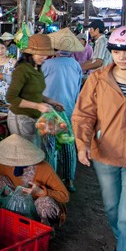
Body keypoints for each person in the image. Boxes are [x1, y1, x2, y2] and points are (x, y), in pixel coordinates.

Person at [72, 25, 126, 251]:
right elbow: (84, 114)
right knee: (111, 209)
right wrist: (82, 143)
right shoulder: (98, 78)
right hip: (105, 156)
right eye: (116, 50)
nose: (121, 56)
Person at [0, 134, 69, 225]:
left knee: (44, 202)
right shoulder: (7, 164)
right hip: (19, 201)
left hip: (37, 205)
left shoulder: (44, 168)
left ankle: (44, 230)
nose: (10, 163)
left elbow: (64, 196)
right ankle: (11, 215)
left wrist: (41, 191)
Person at [6, 34, 63, 144]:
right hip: (21, 118)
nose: (44, 57)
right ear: (30, 52)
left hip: (33, 118)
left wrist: (50, 101)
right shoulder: (22, 69)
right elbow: (11, 98)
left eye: (45, 54)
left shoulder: (37, 68)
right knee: (27, 156)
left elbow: (32, 93)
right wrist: (37, 106)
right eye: (40, 53)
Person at [42, 46, 83, 192]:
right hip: (68, 109)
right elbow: (78, 88)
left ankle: (52, 182)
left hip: (50, 111)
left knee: (50, 147)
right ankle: (69, 180)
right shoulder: (76, 65)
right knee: (68, 145)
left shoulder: (46, 65)